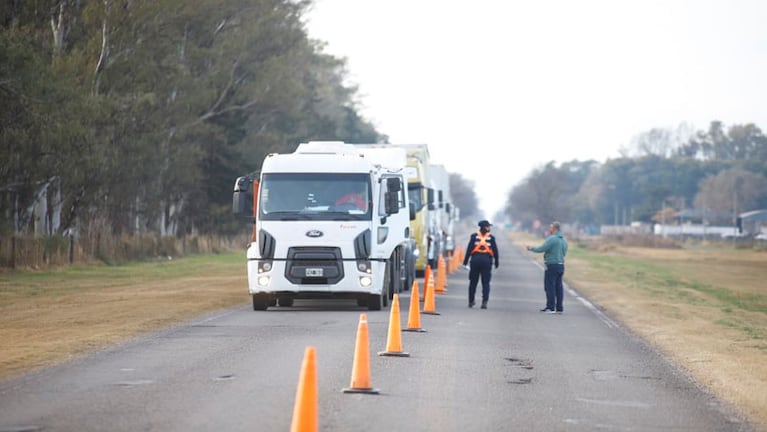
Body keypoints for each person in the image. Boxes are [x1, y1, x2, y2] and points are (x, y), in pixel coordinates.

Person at [526, 221, 568, 314]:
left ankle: (550, 307)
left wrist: (531, 248)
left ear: (554, 229)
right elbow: (564, 252)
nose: (550, 229)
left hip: (551, 265)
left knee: (550, 286)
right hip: (561, 265)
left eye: (551, 228)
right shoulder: (563, 240)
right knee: (559, 287)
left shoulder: (552, 239)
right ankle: (559, 308)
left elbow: (542, 248)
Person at [462, 220, 499, 309]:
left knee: (473, 282)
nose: (489, 228)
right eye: (488, 226)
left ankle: (471, 301)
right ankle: (484, 302)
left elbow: (469, 249)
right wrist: (497, 261)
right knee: (486, 282)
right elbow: (495, 250)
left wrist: (465, 261)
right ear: (484, 227)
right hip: (486, 261)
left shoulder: (474, 236)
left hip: (475, 261)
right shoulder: (491, 238)